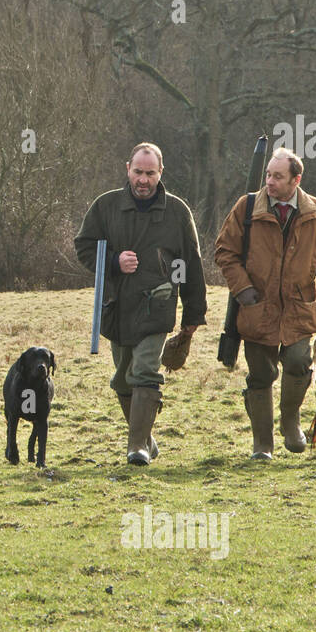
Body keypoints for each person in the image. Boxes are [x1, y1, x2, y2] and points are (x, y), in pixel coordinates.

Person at [74, 143, 207, 465]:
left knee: (145, 370)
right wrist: (114, 262)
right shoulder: (105, 206)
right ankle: (146, 438)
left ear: (161, 173)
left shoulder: (177, 212)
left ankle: (137, 449)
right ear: (127, 169)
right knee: (123, 380)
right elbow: (84, 247)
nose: (143, 179)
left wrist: (193, 313)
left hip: (158, 306)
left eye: (150, 173)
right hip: (117, 307)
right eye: (138, 172)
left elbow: (190, 263)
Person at [214, 146, 316, 460]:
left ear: (296, 180)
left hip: (299, 310)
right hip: (257, 309)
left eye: (277, 177)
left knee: (299, 363)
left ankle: (290, 422)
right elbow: (225, 252)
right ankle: (262, 445)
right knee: (260, 375)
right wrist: (244, 290)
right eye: (268, 175)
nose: (269, 182)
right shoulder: (246, 208)